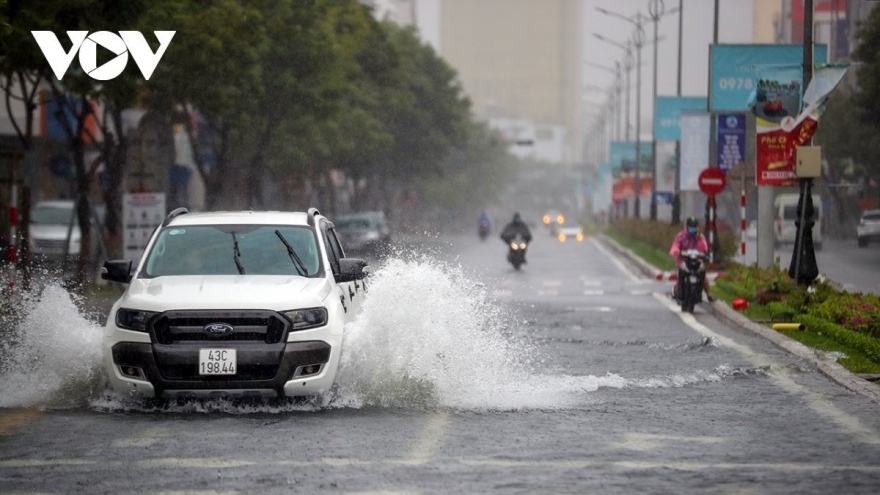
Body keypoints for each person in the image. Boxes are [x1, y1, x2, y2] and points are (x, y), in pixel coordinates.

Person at [669, 216, 714, 302]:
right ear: (687, 226)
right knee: (680, 275)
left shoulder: (700, 237)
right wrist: (676, 252)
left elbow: (704, 249)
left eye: (694, 227)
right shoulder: (681, 236)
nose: (692, 229)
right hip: (683, 260)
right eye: (690, 227)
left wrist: (700, 242)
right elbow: (675, 246)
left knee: (703, 276)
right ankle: (678, 290)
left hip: (697, 260)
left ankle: (709, 294)